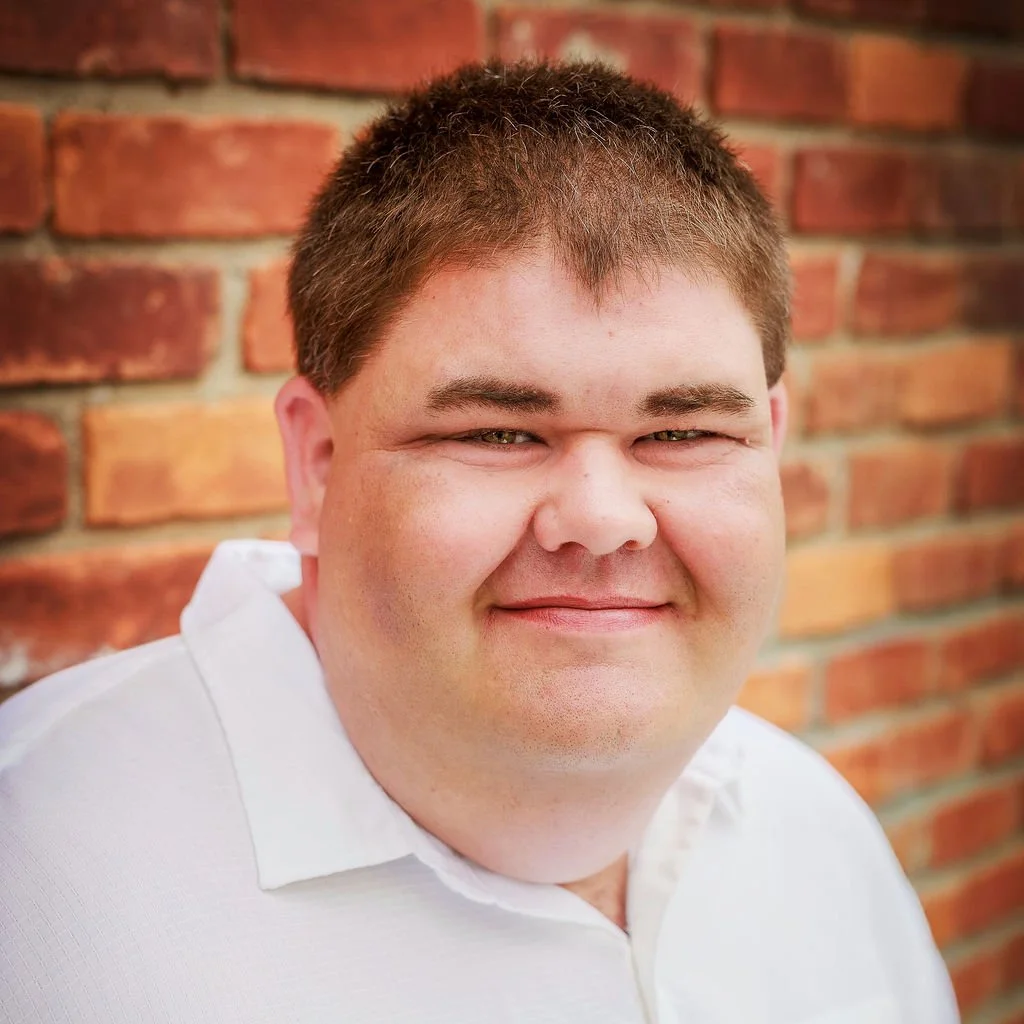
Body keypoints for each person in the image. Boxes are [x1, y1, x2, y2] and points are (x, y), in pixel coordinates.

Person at [0, 60, 958, 1023]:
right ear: (319, 461)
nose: (601, 517)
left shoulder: (818, 828)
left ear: (772, 446)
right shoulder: (38, 867)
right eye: (497, 432)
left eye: (683, 433)